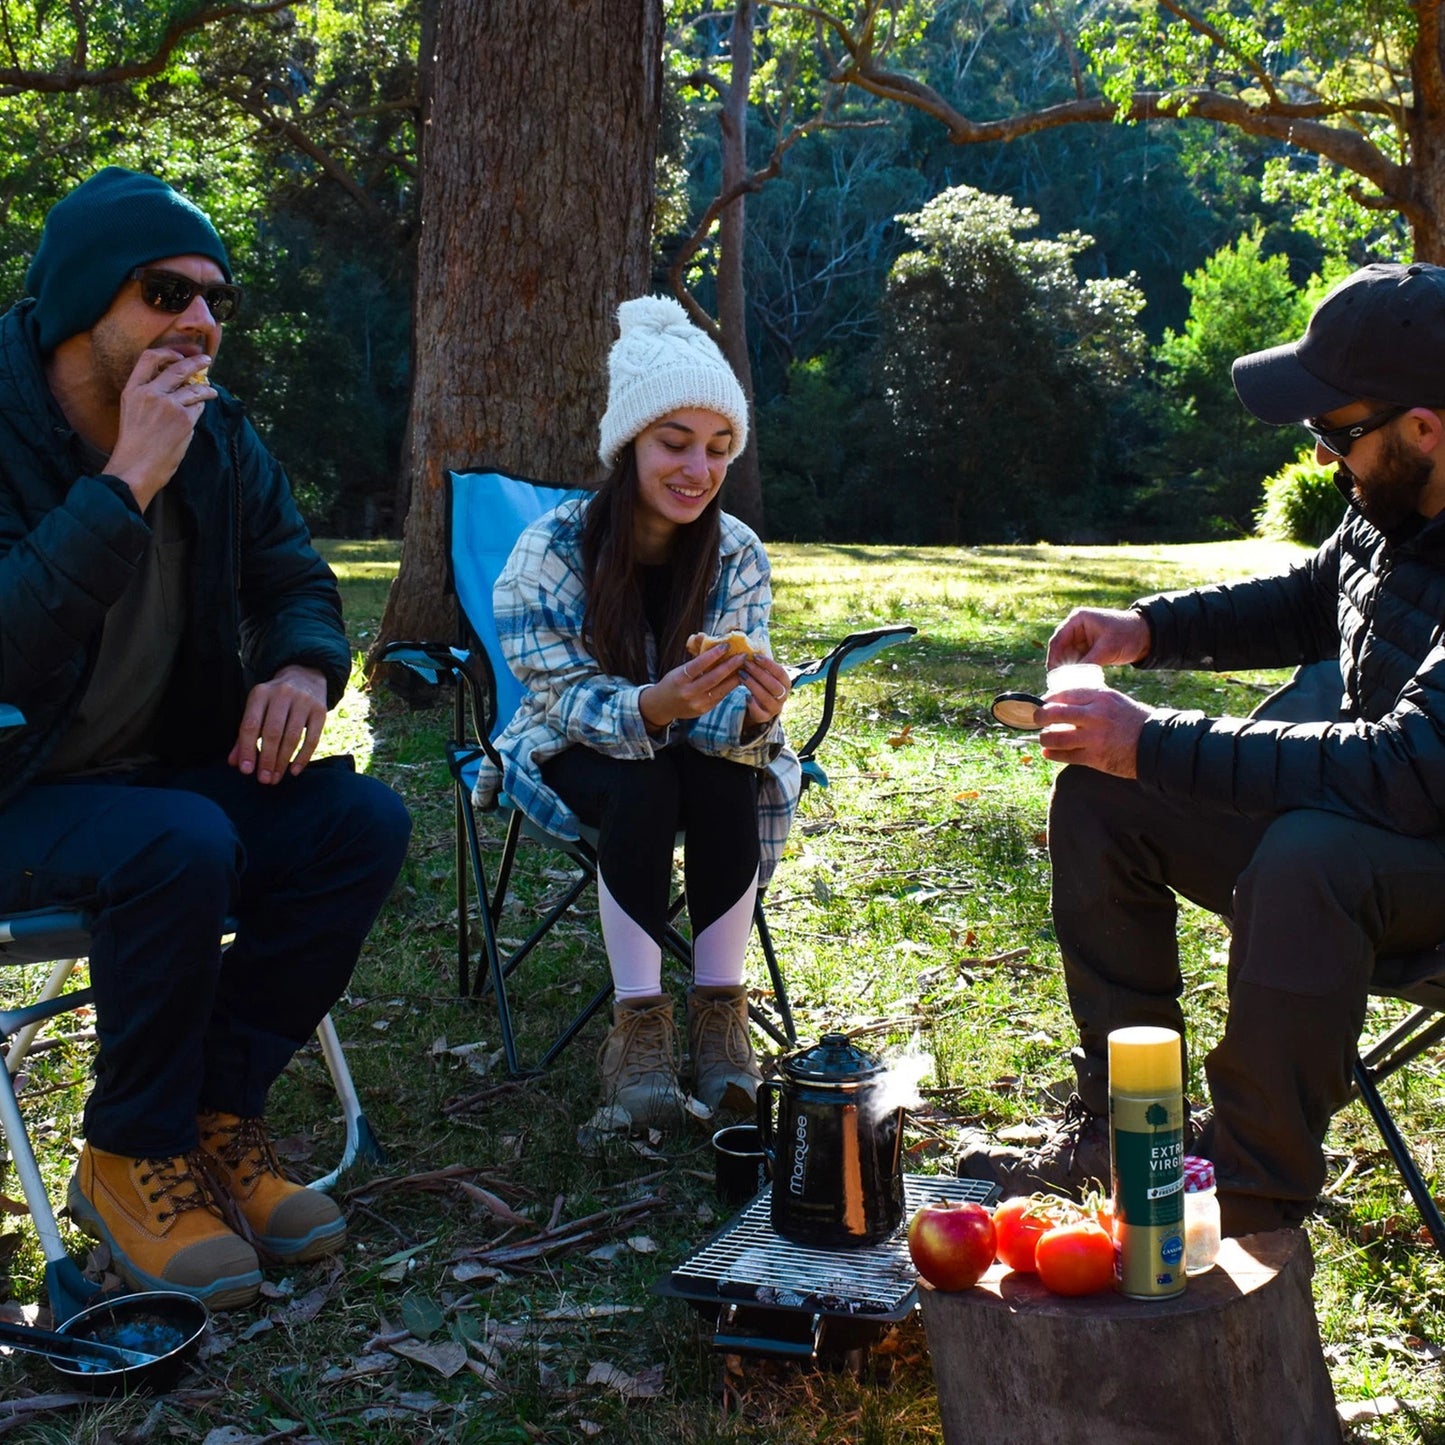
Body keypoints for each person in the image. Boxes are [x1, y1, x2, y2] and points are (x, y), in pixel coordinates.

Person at [957, 261, 1445, 1237]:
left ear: (1423, 427)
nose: (1317, 458)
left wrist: (1157, 739)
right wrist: (1147, 628)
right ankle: (1124, 1132)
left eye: (1332, 432)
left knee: (1308, 857)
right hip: (1385, 818)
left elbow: (1405, 768)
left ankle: (1250, 1200)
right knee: (1103, 795)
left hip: (1414, 836)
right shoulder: (1393, 505)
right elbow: (1318, 598)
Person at [0, 168, 412, 1309]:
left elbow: (294, 577)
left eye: (216, 301)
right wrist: (126, 477)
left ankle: (214, 1116)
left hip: (154, 781)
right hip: (14, 793)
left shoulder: (219, 438)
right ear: (83, 303)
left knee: (358, 822)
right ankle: (126, 1154)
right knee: (174, 839)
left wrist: (297, 663)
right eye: (163, 292)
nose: (200, 322)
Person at [473, 296, 799, 1128]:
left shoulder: (736, 553)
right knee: (643, 785)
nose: (698, 469)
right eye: (675, 443)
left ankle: (721, 1018)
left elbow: (726, 718)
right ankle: (639, 1027)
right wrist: (649, 705)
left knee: (731, 774)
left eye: (719, 449)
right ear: (629, 446)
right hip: (570, 738)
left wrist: (753, 713)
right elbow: (551, 688)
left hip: (696, 748)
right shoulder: (550, 549)